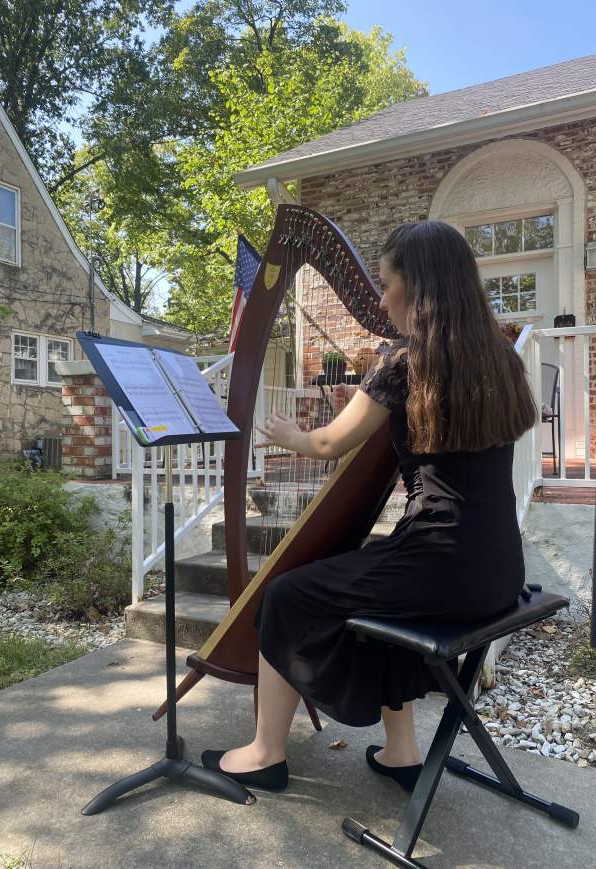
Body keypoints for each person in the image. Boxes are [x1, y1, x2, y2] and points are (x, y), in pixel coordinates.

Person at [202, 220, 538, 793]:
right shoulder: (501, 359)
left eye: (387, 285)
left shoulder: (406, 361)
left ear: (421, 287)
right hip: (499, 570)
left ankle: (265, 753)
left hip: (438, 563)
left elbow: (332, 442)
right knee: (387, 597)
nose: (381, 300)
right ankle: (402, 750)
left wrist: (290, 436)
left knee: (286, 595)